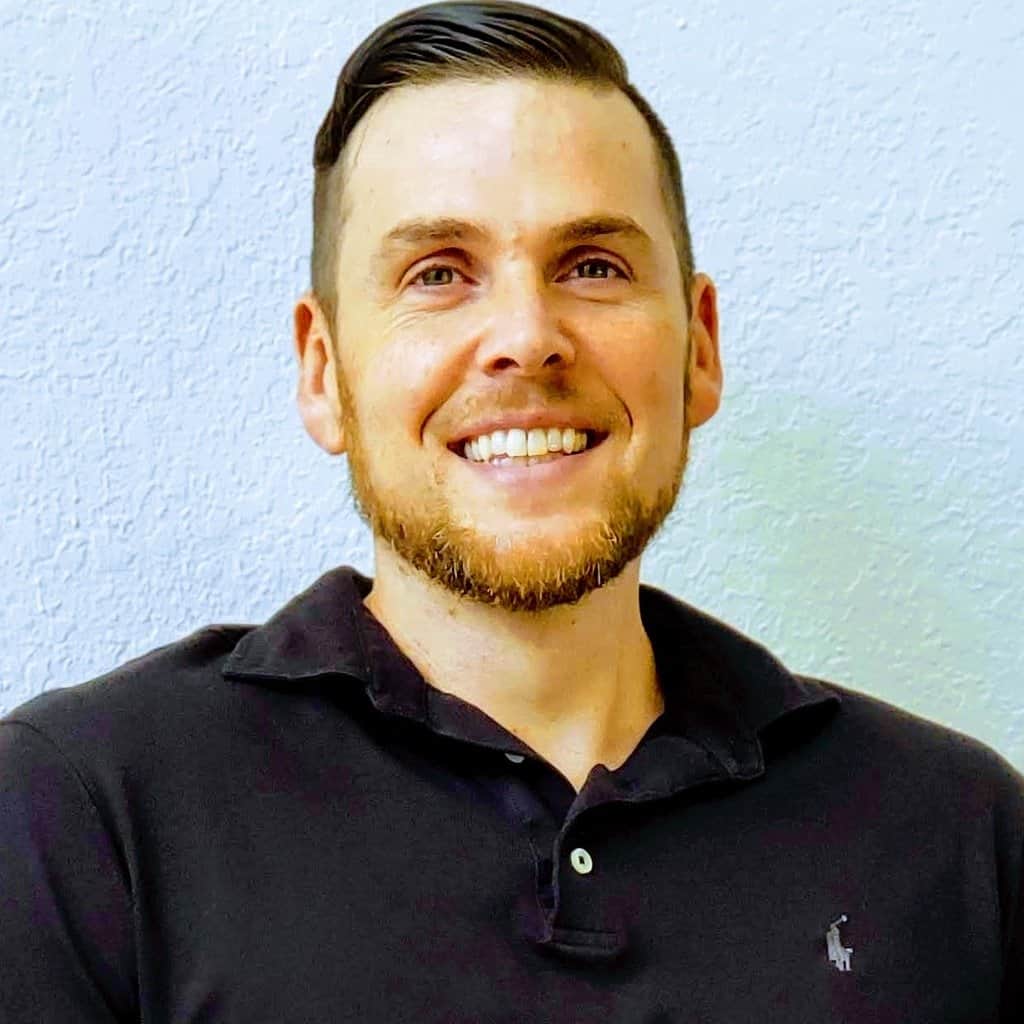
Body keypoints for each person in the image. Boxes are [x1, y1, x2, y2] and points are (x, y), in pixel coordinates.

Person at [2, 1, 1021, 1019]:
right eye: (438, 273)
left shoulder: (959, 836)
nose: (527, 337)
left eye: (593, 266)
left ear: (699, 348)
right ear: (323, 372)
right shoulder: (88, 817)